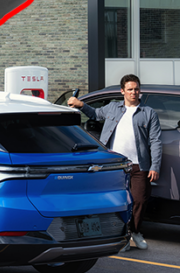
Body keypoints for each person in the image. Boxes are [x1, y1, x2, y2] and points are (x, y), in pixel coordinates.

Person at [68, 74, 162, 251]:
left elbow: (156, 141)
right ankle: (123, 236)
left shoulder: (149, 113)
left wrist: (154, 166)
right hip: (115, 165)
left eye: (136, 89)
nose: (134, 92)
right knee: (117, 201)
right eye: (130, 89)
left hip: (139, 165)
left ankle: (135, 231)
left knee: (140, 200)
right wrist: (81, 105)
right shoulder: (113, 108)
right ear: (122, 91)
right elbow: (95, 114)